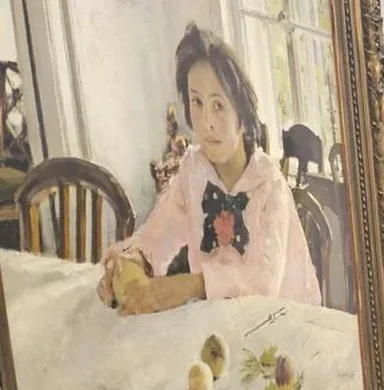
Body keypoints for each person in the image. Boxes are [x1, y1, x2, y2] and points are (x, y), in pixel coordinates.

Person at [96, 22, 321, 315]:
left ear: (243, 116)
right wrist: (129, 264)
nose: (206, 122)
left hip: (282, 323)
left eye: (218, 106)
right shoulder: (193, 170)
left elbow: (263, 282)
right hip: (216, 323)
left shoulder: (270, 183)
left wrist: (189, 285)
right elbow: (156, 236)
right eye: (197, 102)